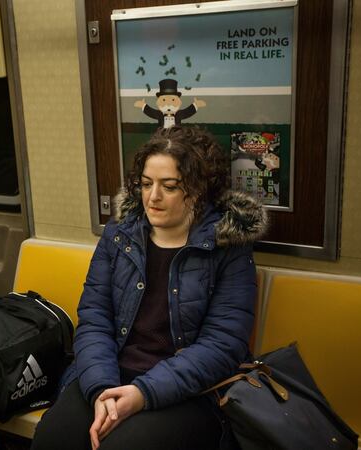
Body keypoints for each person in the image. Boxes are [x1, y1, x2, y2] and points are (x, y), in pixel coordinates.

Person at [32, 126, 267, 450]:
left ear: (199, 189)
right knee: (54, 438)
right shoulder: (120, 234)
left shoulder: (227, 246)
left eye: (169, 186)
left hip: (191, 390)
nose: (153, 196)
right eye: (146, 184)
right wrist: (101, 389)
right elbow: (95, 319)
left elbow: (223, 345)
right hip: (111, 372)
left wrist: (143, 394)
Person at [133, 79, 206, 129]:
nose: (168, 104)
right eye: (164, 100)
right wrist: (143, 105)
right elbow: (150, 112)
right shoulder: (159, 114)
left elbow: (188, 112)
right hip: (162, 136)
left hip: (176, 135)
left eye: (173, 100)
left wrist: (195, 105)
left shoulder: (179, 114)